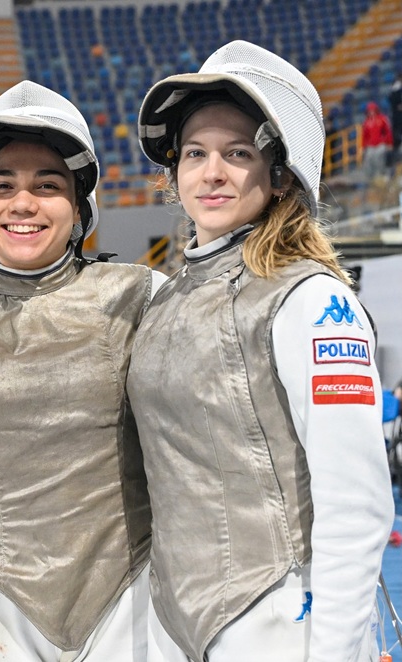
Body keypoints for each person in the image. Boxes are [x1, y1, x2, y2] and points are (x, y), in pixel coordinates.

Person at [129, 40, 395, 661]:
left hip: (280, 618)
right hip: (173, 620)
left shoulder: (310, 300)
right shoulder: (167, 300)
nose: (211, 172)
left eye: (237, 153)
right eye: (194, 153)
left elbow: (355, 504)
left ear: (280, 175)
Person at [0, 80, 158, 661]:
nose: (23, 203)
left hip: (127, 592)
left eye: (48, 185)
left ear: (81, 210)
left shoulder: (142, 294)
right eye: (1, 185)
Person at [361, 100, 392, 181]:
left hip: (381, 143)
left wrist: (389, 143)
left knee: (379, 158)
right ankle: (371, 179)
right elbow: (364, 136)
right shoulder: (366, 122)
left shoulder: (383, 119)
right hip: (371, 145)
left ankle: (382, 176)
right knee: (368, 159)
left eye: (373, 110)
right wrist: (363, 147)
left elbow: (387, 131)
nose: (371, 112)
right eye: (369, 111)